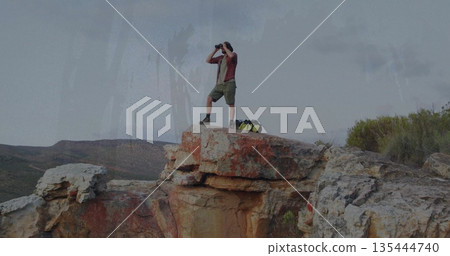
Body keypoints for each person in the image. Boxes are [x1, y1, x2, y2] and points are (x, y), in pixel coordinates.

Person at [201, 41, 237, 128]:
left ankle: (232, 123)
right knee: (209, 98)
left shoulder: (234, 55)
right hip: (219, 84)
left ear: (227, 47)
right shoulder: (221, 58)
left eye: (223, 47)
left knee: (231, 104)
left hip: (229, 83)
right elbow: (208, 60)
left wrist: (225, 47)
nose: (222, 49)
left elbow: (231, 55)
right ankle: (207, 118)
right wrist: (215, 50)